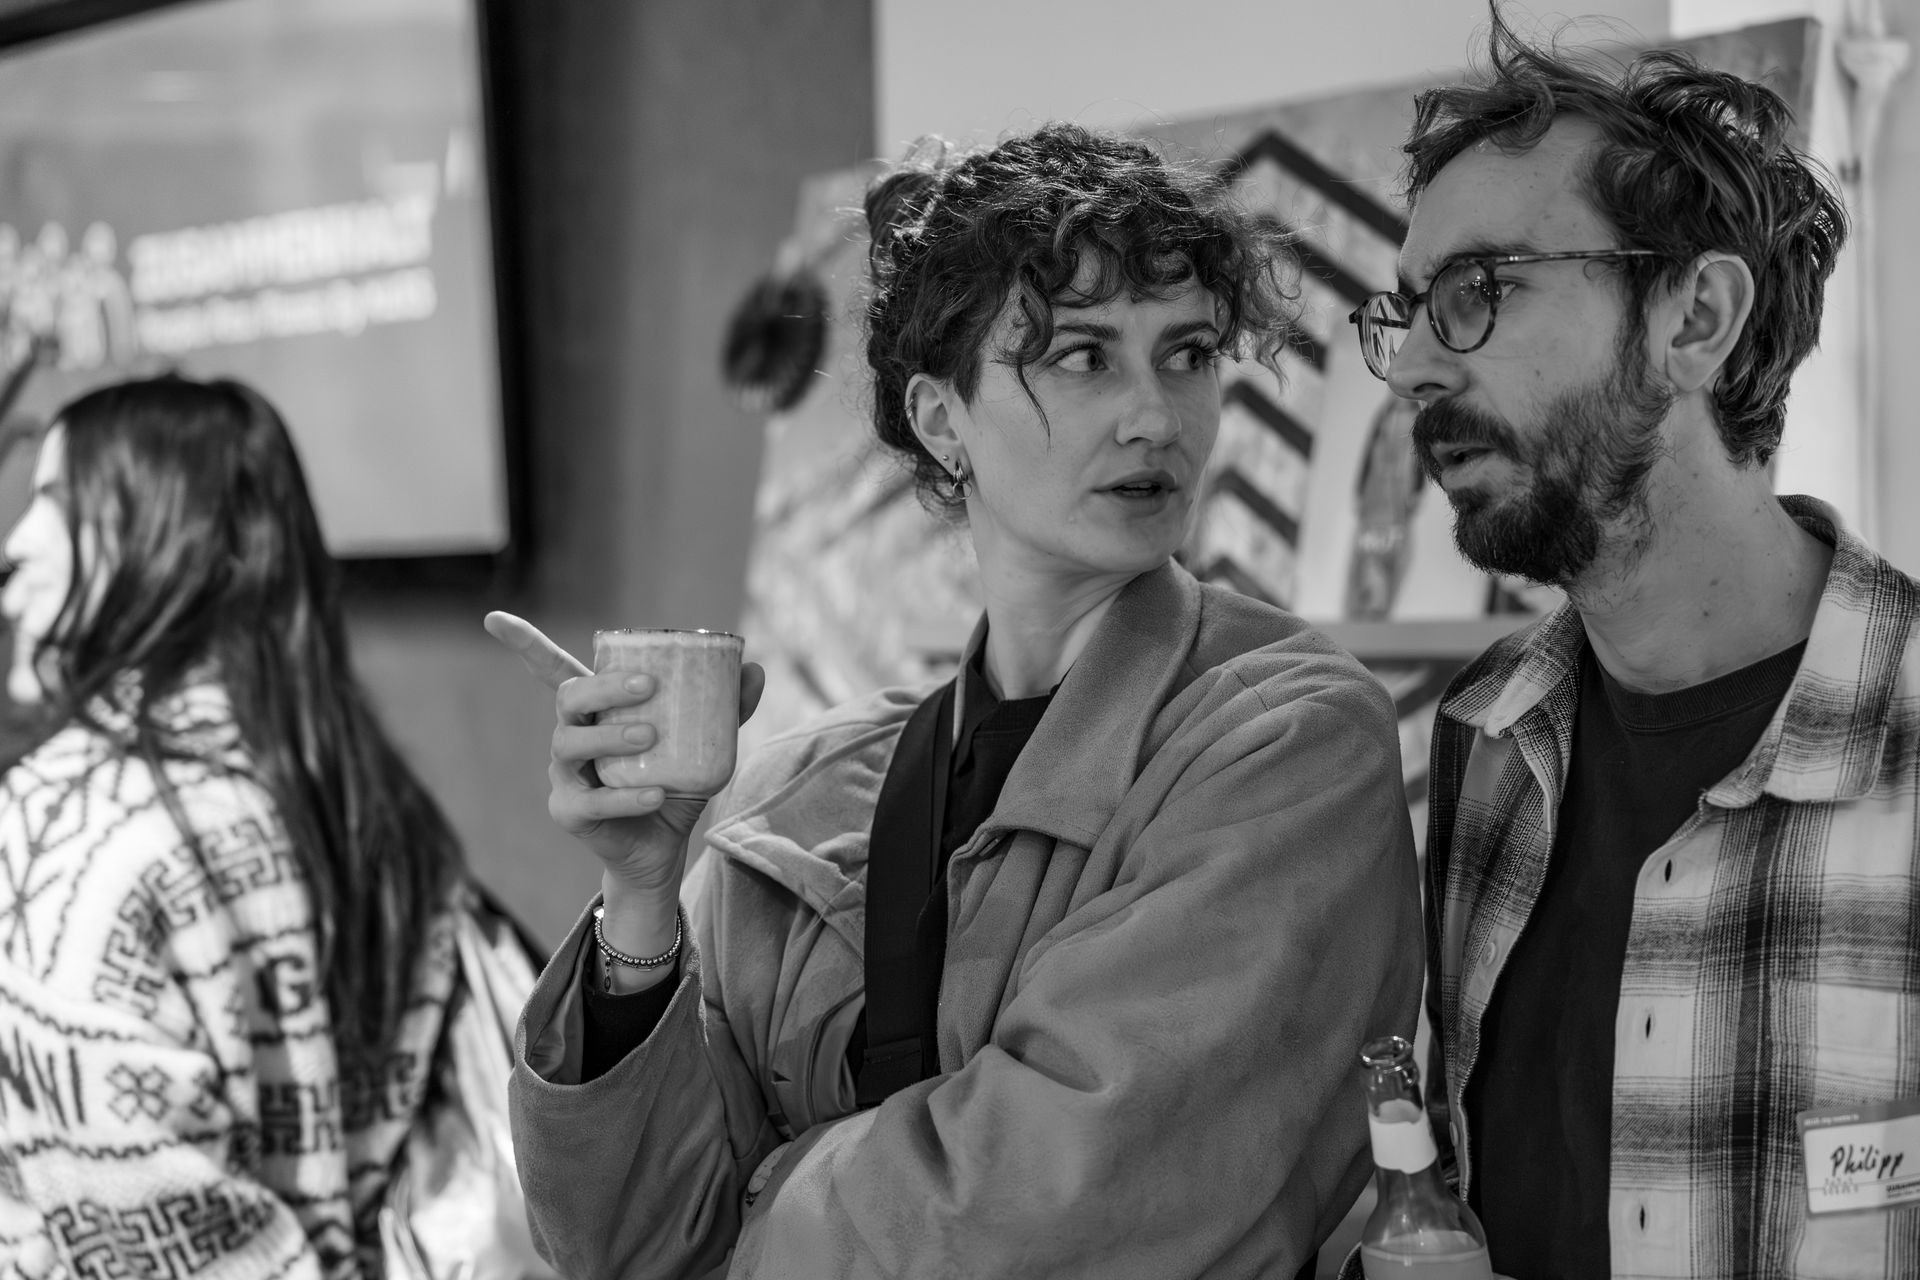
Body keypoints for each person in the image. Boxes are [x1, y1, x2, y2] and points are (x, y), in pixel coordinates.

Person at [489, 121, 1424, 1279]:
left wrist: (764, 1198)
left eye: (1185, 353)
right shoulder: (799, 803)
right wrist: (638, 902)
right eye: (1084, 356)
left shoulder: (1282, 736)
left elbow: (1060, 1208)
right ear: (942, 419)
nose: (1156, 415)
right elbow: (623, 1244)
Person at [1342, 9, 1920, 1277]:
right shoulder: (1486, 736)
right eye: (1408, 311)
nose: (1413, 371)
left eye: (1477, 292)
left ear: (1695, 317)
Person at [0, 376, 471, 1278]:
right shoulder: (380, 815)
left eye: (58, 503)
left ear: (169, 537)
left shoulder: (65, 834)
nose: (15, 548)